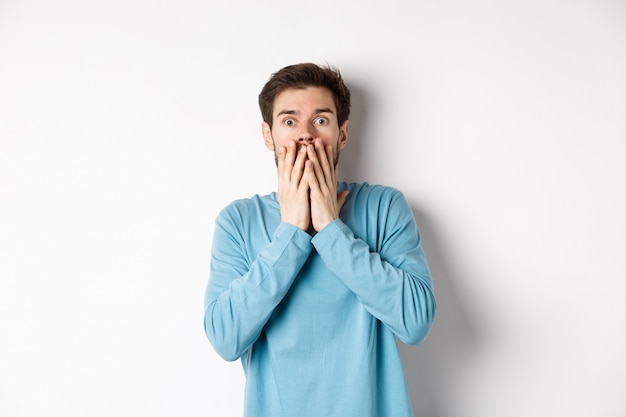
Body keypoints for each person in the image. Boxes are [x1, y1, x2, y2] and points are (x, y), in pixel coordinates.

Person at [203, 63, 436, 417]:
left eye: (321, 120)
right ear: (269, 136)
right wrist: (292, 232)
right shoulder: (238, 221)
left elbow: (415, 322)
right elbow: (225, 338)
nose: (305, 135)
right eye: (290, 121)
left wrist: (330, 228)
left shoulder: (385, 207)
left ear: (342, 134)